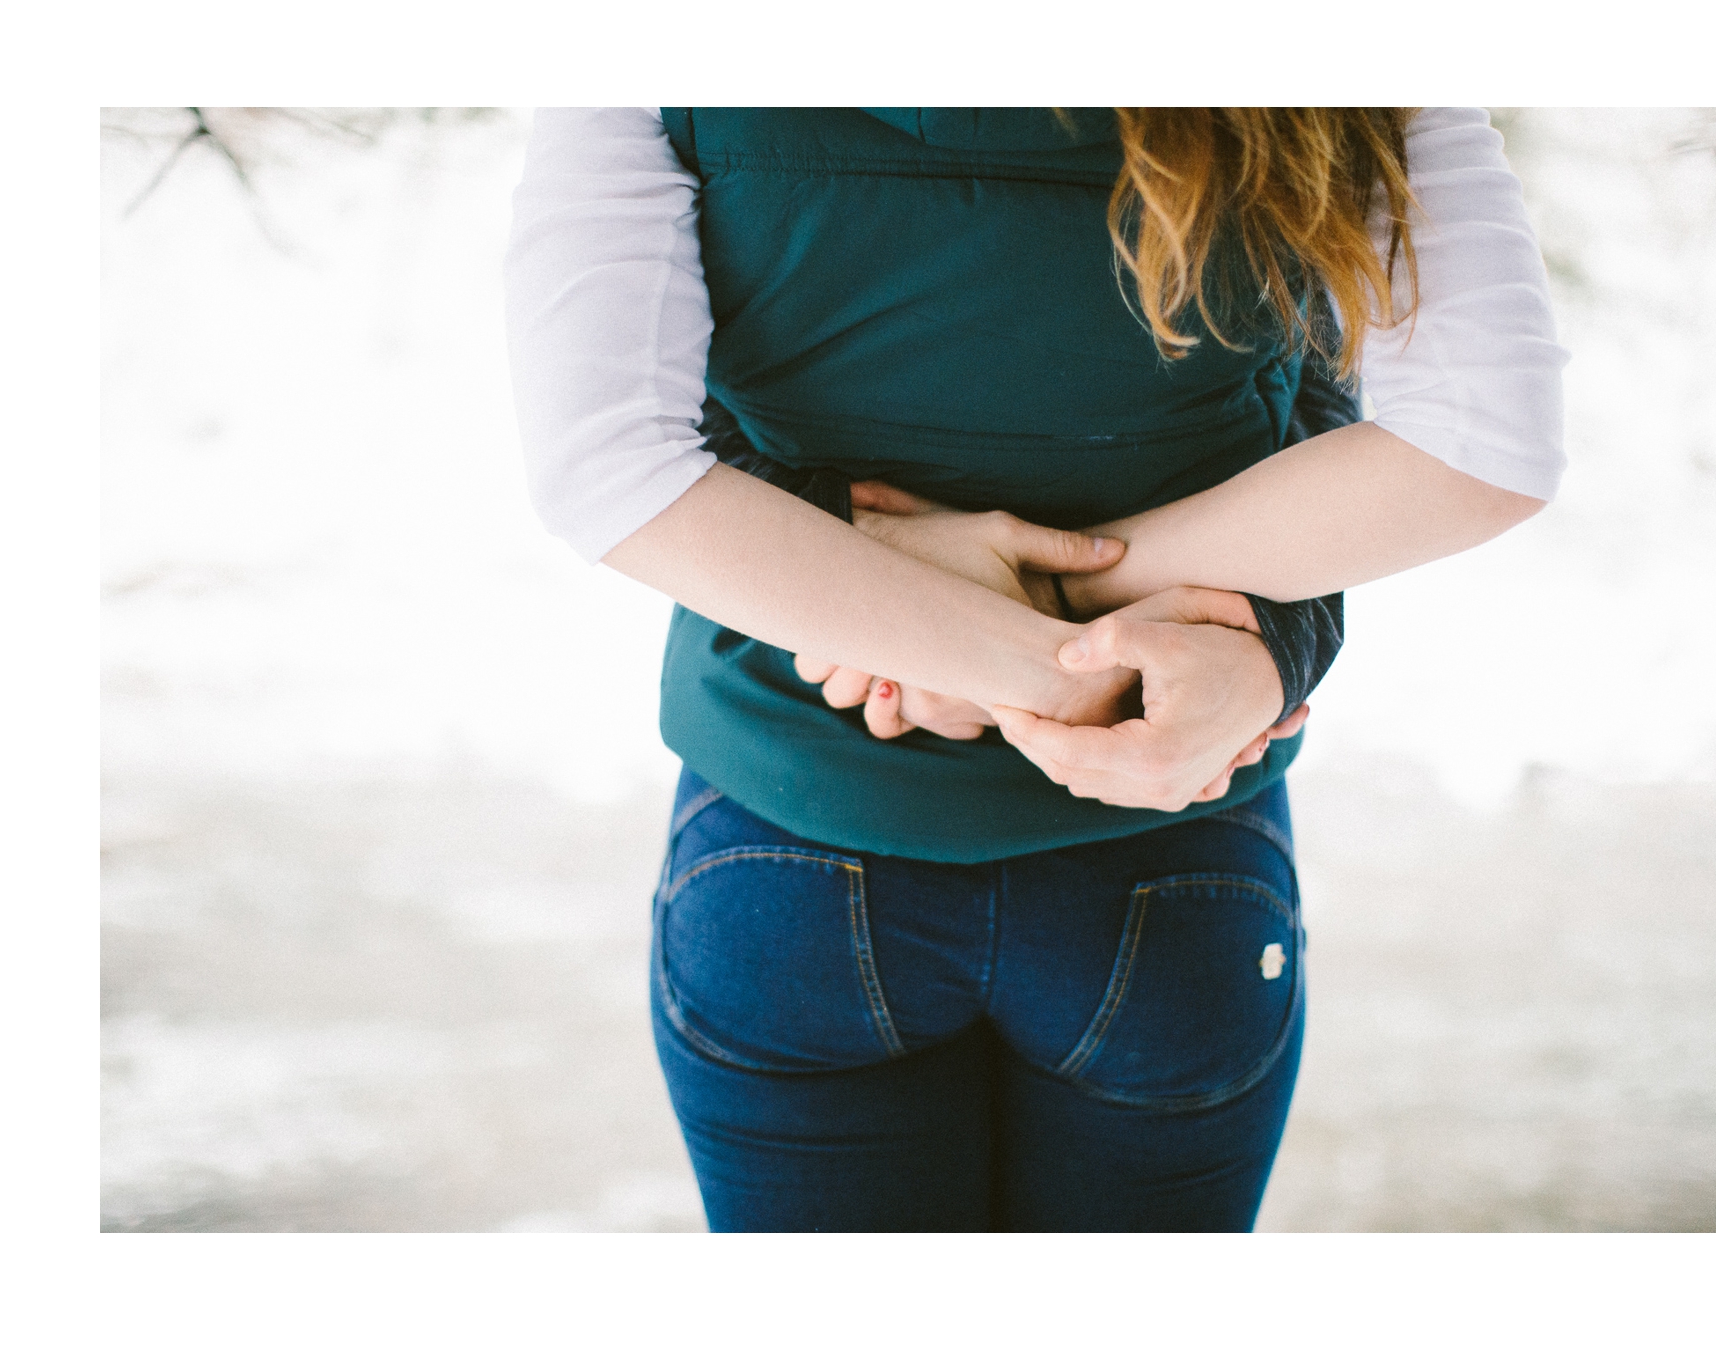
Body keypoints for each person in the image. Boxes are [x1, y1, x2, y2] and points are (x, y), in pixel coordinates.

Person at [504, 107, 1566, 1231]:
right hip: (1168, 857)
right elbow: (1474, 441)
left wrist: (978, 634)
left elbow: (607, 458)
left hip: (792, 846)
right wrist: (1099, 647)